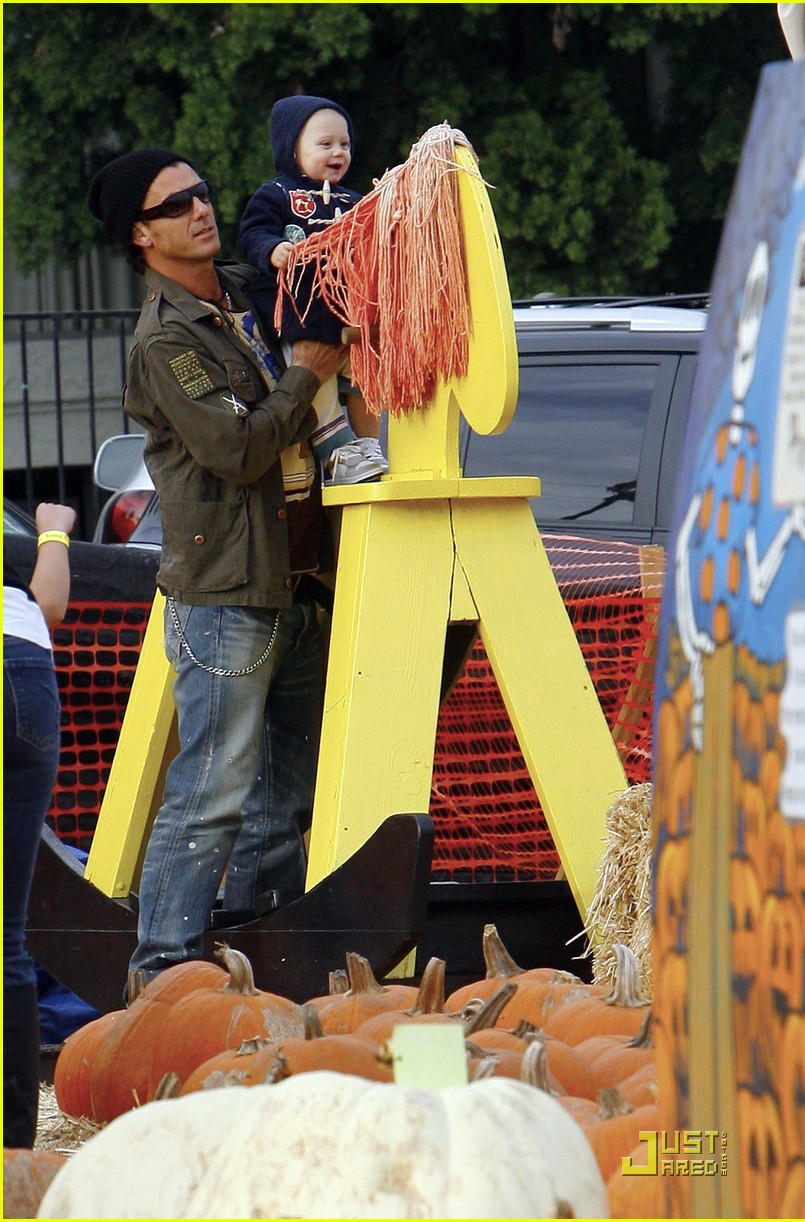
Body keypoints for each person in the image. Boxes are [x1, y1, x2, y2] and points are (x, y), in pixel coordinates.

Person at [87, 147, 351, 999]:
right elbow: (236, 450)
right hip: (227, 598)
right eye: (178, 205)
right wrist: (308, 372)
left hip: (298, 582)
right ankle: (160, 982)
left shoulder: (244, 292)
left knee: (286, 793)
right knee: (211, 794)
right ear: (141, 234)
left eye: (203, 194)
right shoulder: (165, 339)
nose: (202, 209)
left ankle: (262, 965)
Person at [239, 94, 388, 485]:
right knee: (315, 378)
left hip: (346, 310)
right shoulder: (276, 194)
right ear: (292, 148)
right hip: (299, 312)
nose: (338, 152)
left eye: (345, 144)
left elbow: (375, 242)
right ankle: (336, 453)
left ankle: (368, 442)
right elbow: (251, 233)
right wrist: (272, 249)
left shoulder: (356, 201)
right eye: (325, 144)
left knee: (365, 372)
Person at [4, 501, 76, 1146]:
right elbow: (48, 607)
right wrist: (55, 529)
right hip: (25, 666)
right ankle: (14, 1154)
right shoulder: (16, 531)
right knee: (7, 939)